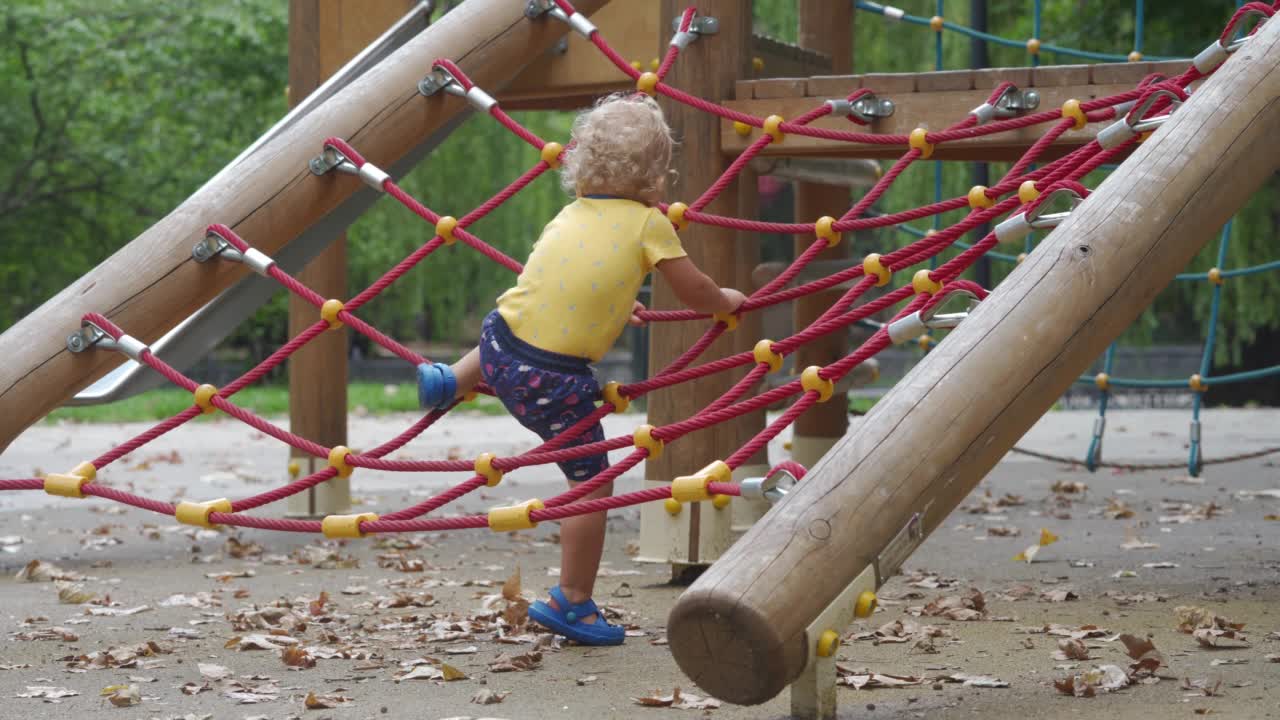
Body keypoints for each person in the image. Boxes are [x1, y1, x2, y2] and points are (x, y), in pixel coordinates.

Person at [417, 93, 745, 645]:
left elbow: (563, 285)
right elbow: (695, 292)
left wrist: (620, 303)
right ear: (657, 178)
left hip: (499, 344)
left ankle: (453, 378)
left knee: (508, 324)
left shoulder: (569, 214)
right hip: (554, 383)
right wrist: (726, 301)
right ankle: (571, 601)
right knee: (591, 484)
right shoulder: (649, 223)